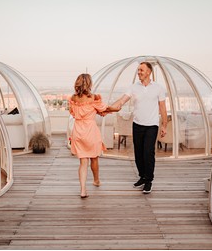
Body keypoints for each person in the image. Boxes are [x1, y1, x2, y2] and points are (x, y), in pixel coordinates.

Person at [110, 62, 168, 194]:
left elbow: (163, 108)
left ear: (149, 72)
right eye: (138, 70)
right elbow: (122, 101)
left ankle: (149, 181)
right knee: (138, 154)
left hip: (152, 126)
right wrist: (107, 109)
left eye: (141, 70)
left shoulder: (158, 88)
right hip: (137, 124)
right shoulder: (133, 87)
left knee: (148, 153)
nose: (139, 72)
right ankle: (142, 176)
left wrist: (164, 126)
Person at [69, 73, 120, 198]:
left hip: (78, 131)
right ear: (89, 84)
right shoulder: (93, 98)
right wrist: (116, 109)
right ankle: (96, 180)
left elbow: (73, 113)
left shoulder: (72, 99)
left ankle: (82, 190)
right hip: (90, 131)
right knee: (94, 158)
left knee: (83, 162)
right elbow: (105, 108)